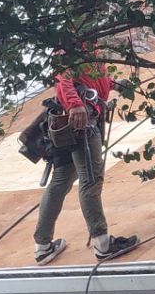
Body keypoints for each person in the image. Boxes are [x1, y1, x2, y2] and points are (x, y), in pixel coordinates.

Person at [28, 66, 139, 265]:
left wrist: (114, 84)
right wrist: (75, 105)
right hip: (81, 122)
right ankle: (103, 244)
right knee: (91, 180)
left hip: (68, 124)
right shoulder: (74, 45)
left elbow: (90, 78)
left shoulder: (84, 48)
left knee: (60, 181)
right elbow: (63, 77)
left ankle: (42, 247)